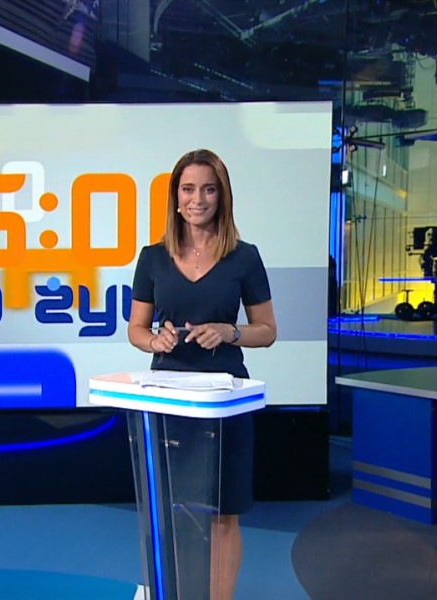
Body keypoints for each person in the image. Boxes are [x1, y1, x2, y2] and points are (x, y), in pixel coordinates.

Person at [127, 148, 277, 599]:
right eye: (188, 189)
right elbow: (136, 329)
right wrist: (154, 341)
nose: (198, 199)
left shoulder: (244, 257)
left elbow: (267, 331)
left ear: (222, 196)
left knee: (224, 515)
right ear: (175, 197)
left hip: (225, 400)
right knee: (174, 511)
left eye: (208, 189)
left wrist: (230, 332)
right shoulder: (152, 258)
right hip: (168, 398)